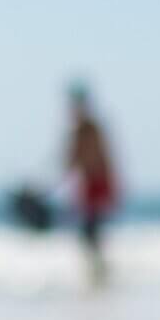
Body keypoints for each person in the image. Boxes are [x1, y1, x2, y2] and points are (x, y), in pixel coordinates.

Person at [61, 80, 120, 282]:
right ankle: (99, 273)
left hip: (97, 185)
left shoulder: (89, 129)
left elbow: (89, 160)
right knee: (89, 234)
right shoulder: (82, 129)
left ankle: (100, 275)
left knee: (91, 232)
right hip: (90, 186)